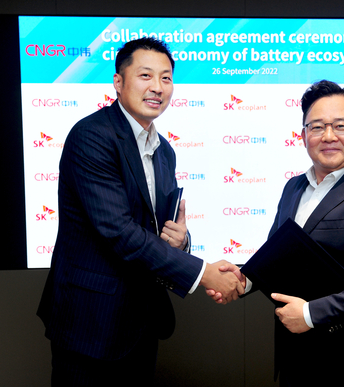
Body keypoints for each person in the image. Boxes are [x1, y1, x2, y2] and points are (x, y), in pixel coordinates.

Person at [37, 37, 244, 386]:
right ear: (118, 82)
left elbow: (156, 227)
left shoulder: (164, 150)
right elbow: (119, 231)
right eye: (145, 75)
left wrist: (182, 241)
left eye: (166, 78)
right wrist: (203, 273)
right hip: (91, 321)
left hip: (141, 321)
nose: (157, 87)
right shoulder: (92, 137)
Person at [212, 80, 344, 386]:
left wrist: (310, 315)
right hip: (294, 359)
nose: (328, 136)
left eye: (341, 125)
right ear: (303, 134)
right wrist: (245, 279)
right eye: (317, 127)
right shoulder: (293, 187)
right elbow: (278, 257)